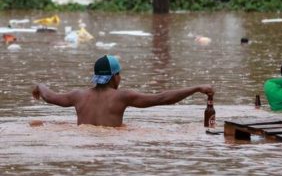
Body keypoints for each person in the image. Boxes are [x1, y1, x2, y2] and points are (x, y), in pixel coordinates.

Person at [32, 55, 214, 127]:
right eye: (119, 74)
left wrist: (39, 86)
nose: (120, 78)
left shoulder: (78, 96)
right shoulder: (122, 96)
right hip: (112, 145)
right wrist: (196, 88)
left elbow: (49, 96)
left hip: (83, 142)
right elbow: (162, 98)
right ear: (113, 77)